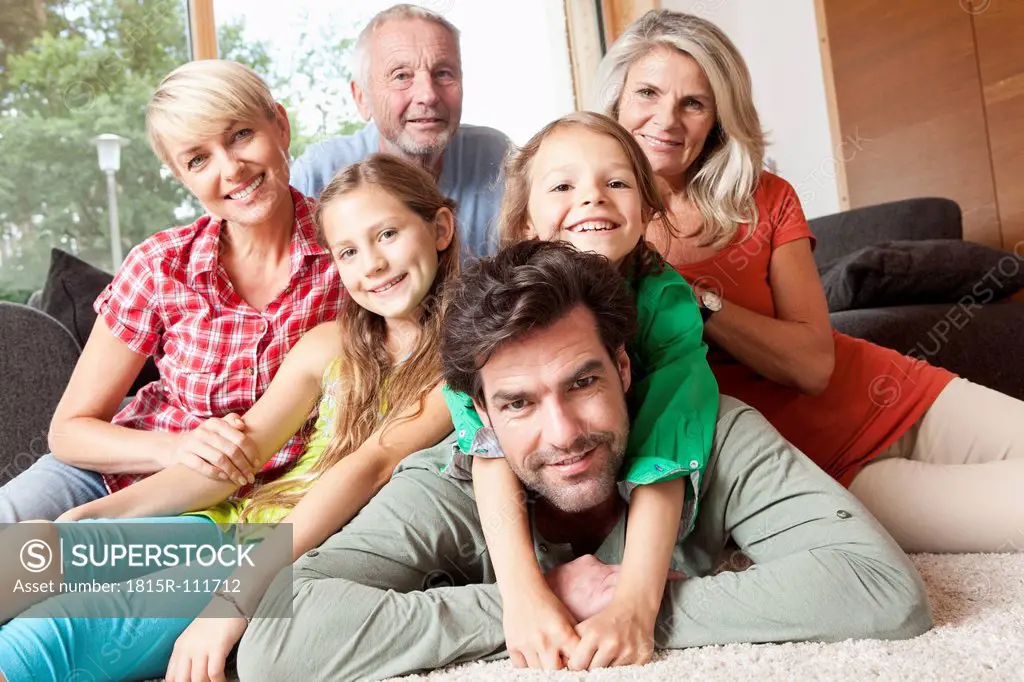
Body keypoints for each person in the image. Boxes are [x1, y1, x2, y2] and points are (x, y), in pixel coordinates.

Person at [235, 240, 931, 680]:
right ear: (479, 413)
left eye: (584, 383)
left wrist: (642, 601)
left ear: (623, 366)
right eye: (518, 405)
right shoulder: (445, 481)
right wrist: (530, 602)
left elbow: (883, 590)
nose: (562, 432)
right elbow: (275, 641)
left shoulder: (715, 433)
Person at [0, 154, 460, 682]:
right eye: (350, 251)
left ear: (440, 228)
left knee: (45, 640)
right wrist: (103, 516)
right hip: (228, 523)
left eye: (388, 234)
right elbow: (242, 455)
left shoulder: (461, 363)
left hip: (292, 557)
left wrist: (234, 597)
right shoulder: (327, 344)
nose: (372, 265)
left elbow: (372, 467)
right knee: (26, 559)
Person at [594, 9, 1024, 554]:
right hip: (825, 467)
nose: (667, 120)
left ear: (719, 119)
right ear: (615, 102)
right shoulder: (595, 223)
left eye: (693, 102)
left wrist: (693, 296)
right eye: (648, 94)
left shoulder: (766, 197)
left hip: (894, 394)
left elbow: (814, 364)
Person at [0, 60, 344, 524]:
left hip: (239, 506)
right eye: (198, 159)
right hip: (109, 473)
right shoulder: (161, 265)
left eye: (241, 134)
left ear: (279, 126)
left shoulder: (349, 249)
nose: (231, 169)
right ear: (182, 177)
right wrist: (177, 447)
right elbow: (69, 432)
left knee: (47, 578)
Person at [441, 111, 719, 668]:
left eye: (615, 182)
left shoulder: (665, 306)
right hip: (347, 471)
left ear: (647, 206)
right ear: (523, 222)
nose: (592, 198)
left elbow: (667, 442)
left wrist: (637, 605)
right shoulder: (477, 314)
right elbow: (476, 446)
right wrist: (521, 597)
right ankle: (225, 591)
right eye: (564, 186)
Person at [291, 3, 511, 258]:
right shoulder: (318, 174)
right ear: (362, 98)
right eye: (401, 76)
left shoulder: (496, 157)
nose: (428, 95)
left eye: (443, 73)